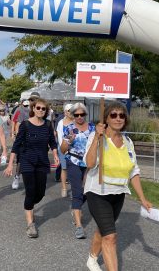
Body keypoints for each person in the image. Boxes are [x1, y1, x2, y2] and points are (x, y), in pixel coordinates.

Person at [84, 101, 152, 271]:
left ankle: (92, 258)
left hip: (118, 193)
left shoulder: (128, 142)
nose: (118, 118)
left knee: (104, 230)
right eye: (113, 115)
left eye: (121, 115)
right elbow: (90, 163)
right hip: (98, 192)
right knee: (111, 237)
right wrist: (97, 138)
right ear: (106, 118)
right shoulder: (97, 137)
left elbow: (133, 171)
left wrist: (142, 198)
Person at [4, 98, 59, 238]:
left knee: (40, 193)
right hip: (27, 161)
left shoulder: (47, 125)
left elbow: (52, 142)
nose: (41, 110)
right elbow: (16, 145)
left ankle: (29, 206)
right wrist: (10, 164)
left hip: (42, 162)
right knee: (30, 191)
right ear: (33, 109)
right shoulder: (26, 125)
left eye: (43, 109)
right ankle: (30, 224)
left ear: (46, 111)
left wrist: (55, 154)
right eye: (38, 108)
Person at [60, 102, 95, 239]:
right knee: (77, 192)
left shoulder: (92, 128)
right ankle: (79, 226)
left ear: (86, 115)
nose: (79, 117)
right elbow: (63, 150)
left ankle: (75, 207)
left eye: (82, 114)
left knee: (87, 191)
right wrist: (69, 141)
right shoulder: (69, 128)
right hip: (73, 161)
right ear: (72, 115)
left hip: (89, 163)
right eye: (76, 115)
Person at [56, 103, 74, 197]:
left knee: (74, 169)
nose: (71, 112)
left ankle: (75, 189)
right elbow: (59, 137)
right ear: (65, 112)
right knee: (64, 168)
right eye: (69, 110)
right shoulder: (61, 122)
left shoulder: (76, 121)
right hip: (63, 148)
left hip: (75, 149)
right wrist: (64, 148)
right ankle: (64, 188)